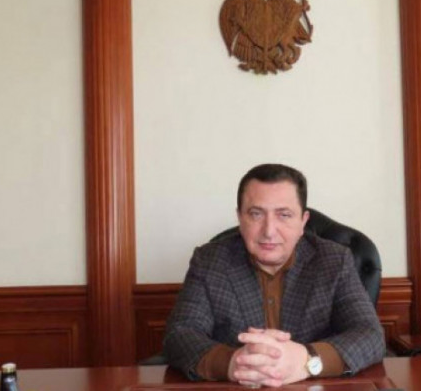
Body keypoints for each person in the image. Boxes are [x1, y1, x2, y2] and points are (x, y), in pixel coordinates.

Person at [163, 164, 385, 387]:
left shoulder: (334, 261)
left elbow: (370, 335)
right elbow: (179, 335)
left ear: (303, 222)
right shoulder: (209, 261)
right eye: (256, 214)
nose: (269, 231)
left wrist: (306, 360)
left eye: (284, 215)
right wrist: (233, 362)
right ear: (240, 218)